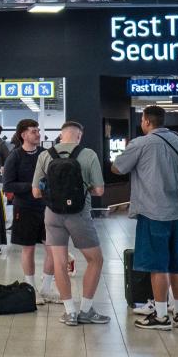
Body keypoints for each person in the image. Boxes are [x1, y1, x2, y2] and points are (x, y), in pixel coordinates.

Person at [112, 106, 178, 330]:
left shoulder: (141, 143)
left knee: (158, 265)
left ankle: (162, 315)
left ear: (146, 121)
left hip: (153, 211)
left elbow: (118, 168)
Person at [32, 121, 107, 325]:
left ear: (61, 135)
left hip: (52, 215)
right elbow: (99, 190)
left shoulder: (45, 155)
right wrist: (84, 189)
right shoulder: (88, 154)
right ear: (79, 136)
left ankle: (70, 312)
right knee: (95, 260)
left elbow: (36, 192)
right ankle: (85, 310)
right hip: (79, 214)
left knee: (59, 262)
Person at [3, 119, 54, 302]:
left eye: (38, 130)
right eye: (33, 131)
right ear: (23, 135)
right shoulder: (15, 156)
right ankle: (30, 289)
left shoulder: (46, 154)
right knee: (29, 249)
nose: (38, 134)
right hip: (24, 208)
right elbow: (7, 185)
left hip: (47, 208)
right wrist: (32, 187)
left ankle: (46, 288)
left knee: (53, 249)